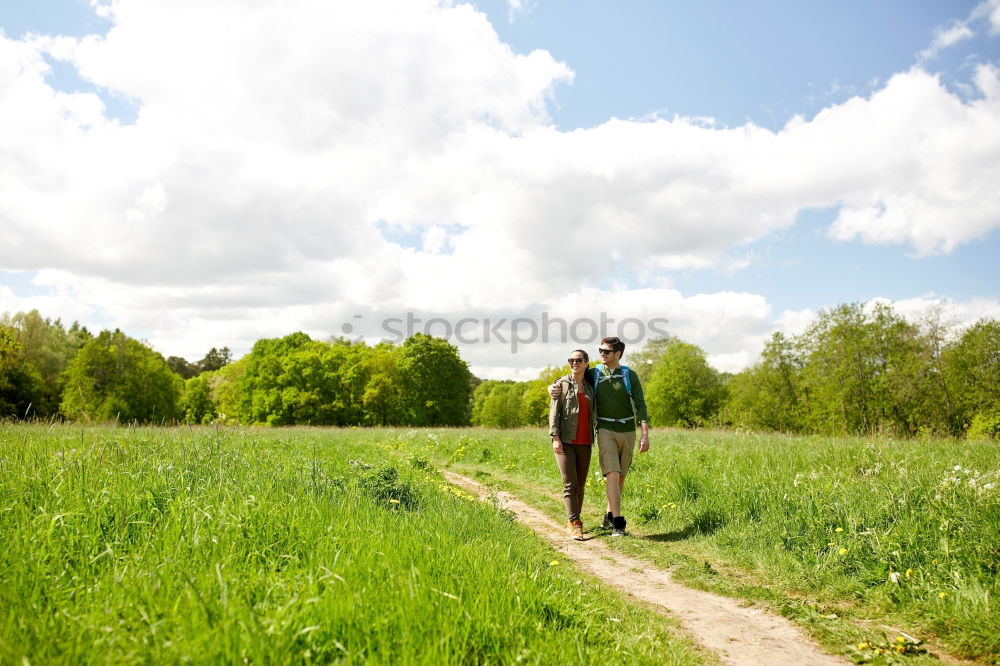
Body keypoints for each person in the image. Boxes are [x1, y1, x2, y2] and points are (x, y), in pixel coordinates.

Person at [550, 336, 649, 536]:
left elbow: (640, 405)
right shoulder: (594, 373)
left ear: (617, 354)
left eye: (606, 351)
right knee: (611, 473)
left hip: (627, 430)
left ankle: (609, 515)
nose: (601, 354)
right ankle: (617, 524)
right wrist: (550, 387)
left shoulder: (630, 375)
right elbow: (569, 378)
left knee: (620, 476)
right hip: (604, 429)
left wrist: (644, 434)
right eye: (600, 350)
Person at [548, 349, 597, 540]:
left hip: (585, 441)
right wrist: (555, 437)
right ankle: (575, 522)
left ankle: (572, 520)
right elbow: (554, 412)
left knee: (581, 485)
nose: (574, 363)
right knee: (570, 484)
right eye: (571, 360)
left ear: (586, 363)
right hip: (565, 441)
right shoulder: (561, 385)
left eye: (578, 360)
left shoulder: (591, 385)